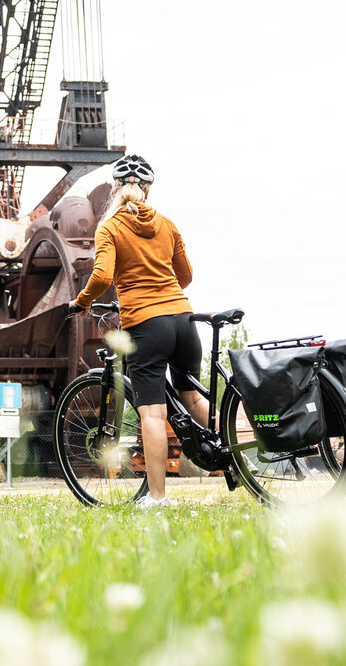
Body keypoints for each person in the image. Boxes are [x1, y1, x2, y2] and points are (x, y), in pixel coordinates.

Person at [69, 154, 202, 508]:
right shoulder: (167, 224)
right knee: (193, 399)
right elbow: (186, 276)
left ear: (114, 188)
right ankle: (239, 457)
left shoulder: (110, 227)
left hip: (146, 325)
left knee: (153, 414)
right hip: (184, 320)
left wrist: (81, 302)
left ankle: (158, 498)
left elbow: (101, 277)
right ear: (148, 189)